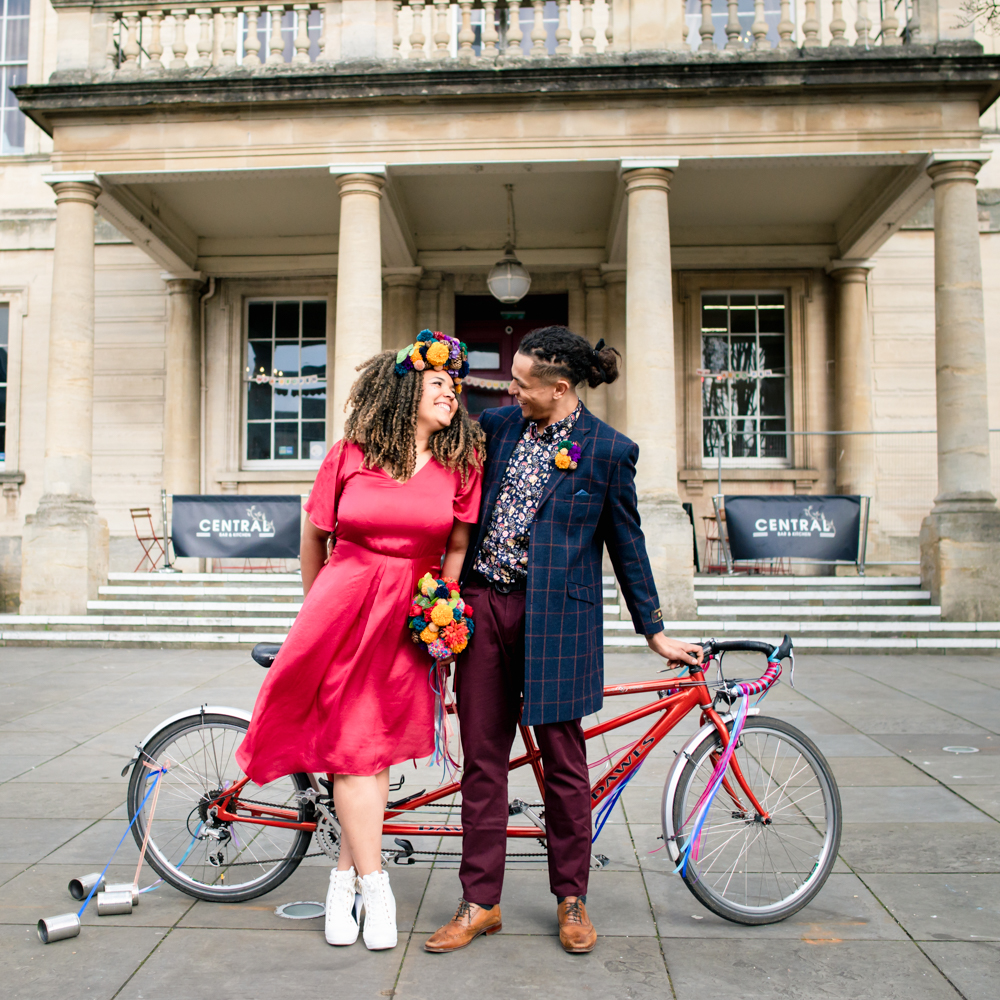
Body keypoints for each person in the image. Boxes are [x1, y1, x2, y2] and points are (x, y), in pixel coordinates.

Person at [424, 326, 702, 956]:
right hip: (483, 610)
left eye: (522, 383)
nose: (511, 390)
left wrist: (653, 628)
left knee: (565, 766)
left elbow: (627, 543)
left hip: (558, 623)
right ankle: (480, 902)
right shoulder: (495, 428)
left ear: (560, 387)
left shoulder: (608, 451)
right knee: (483, 761)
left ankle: (571, 898)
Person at [236, 332, 484, 951]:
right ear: (405, 392)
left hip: (409, 614)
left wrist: (444, 606)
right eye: (437, 385)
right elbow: (313, 536)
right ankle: (377, 887)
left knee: (371, 750)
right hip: (343, 605)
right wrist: (319, 609)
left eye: (453, 387)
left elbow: (456, 546)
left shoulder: (460, 466)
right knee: (351, 746)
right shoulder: (350, 454)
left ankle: (341, 879)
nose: (450, 393)